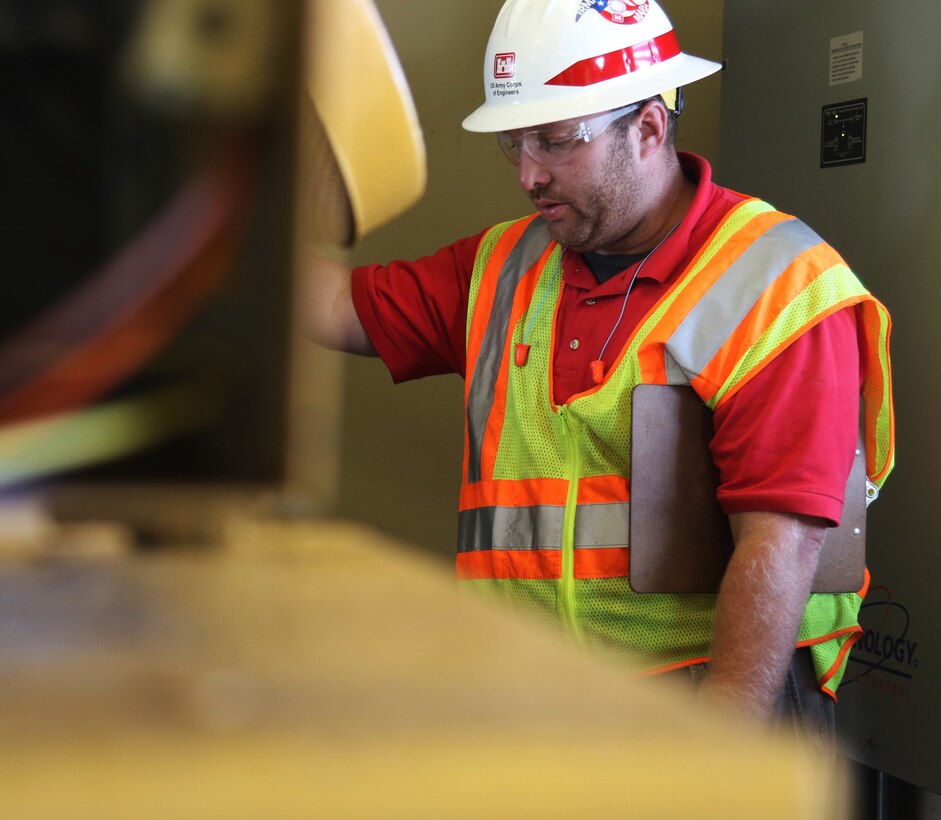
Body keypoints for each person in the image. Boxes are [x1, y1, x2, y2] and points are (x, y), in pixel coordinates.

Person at [305, 0, 895, 742]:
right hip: (534, 693)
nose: (527, 175)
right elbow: (333, 305)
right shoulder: (501, 266)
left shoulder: (775, 283)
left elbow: (780, 544)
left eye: (554, 142)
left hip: (709, 696)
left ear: (648, 127)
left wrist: (712, 758)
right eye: (515, 144)